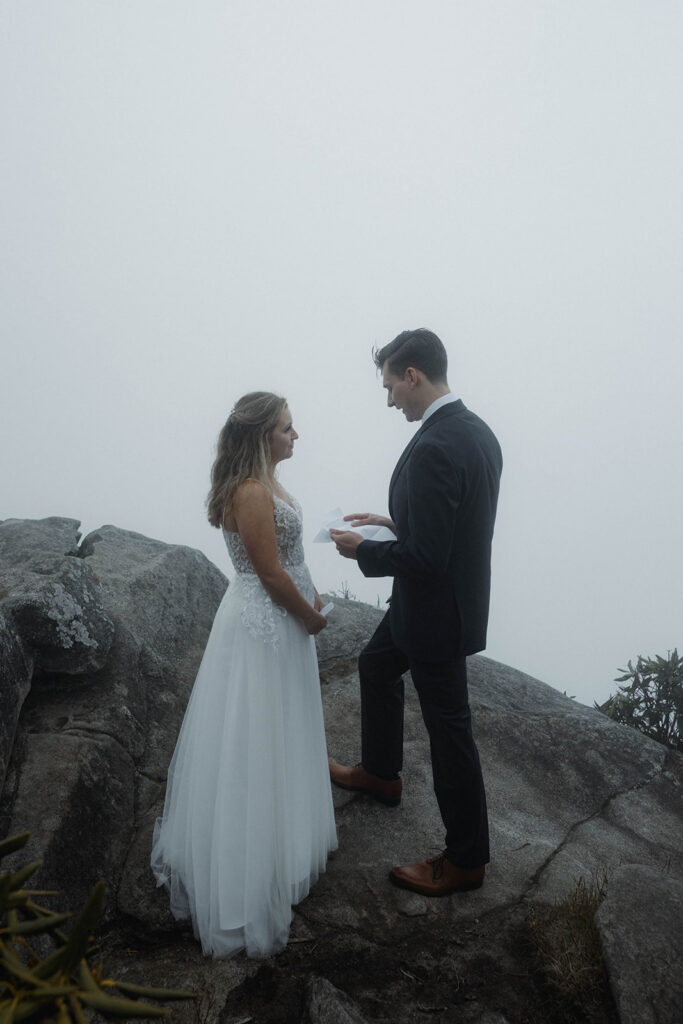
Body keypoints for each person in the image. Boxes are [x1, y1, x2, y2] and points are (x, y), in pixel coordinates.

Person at [151, 392, 337, 958]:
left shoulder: (268, 483)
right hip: (266, 624)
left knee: (282, 730)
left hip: (278, 616)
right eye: (286, 427)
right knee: (254, 738)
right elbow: (270, 574)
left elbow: (291, 559)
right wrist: (309, 615)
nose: (295, 435)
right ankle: (245, 876)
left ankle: (281, 841)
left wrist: (312, 588)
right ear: (262, 436)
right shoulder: (251, 492)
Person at [329, 329, 502, 897]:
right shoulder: (476, 432)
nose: (389, 401)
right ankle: (380, 774)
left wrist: (366, 552)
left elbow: (428, 558)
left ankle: (465, 860)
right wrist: (394, 523)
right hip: (436, 604)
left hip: (434, 615)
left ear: (413, 377)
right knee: (376, 666)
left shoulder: (432, 446)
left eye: (390, 387)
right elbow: (454, 528)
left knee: (450, 734)